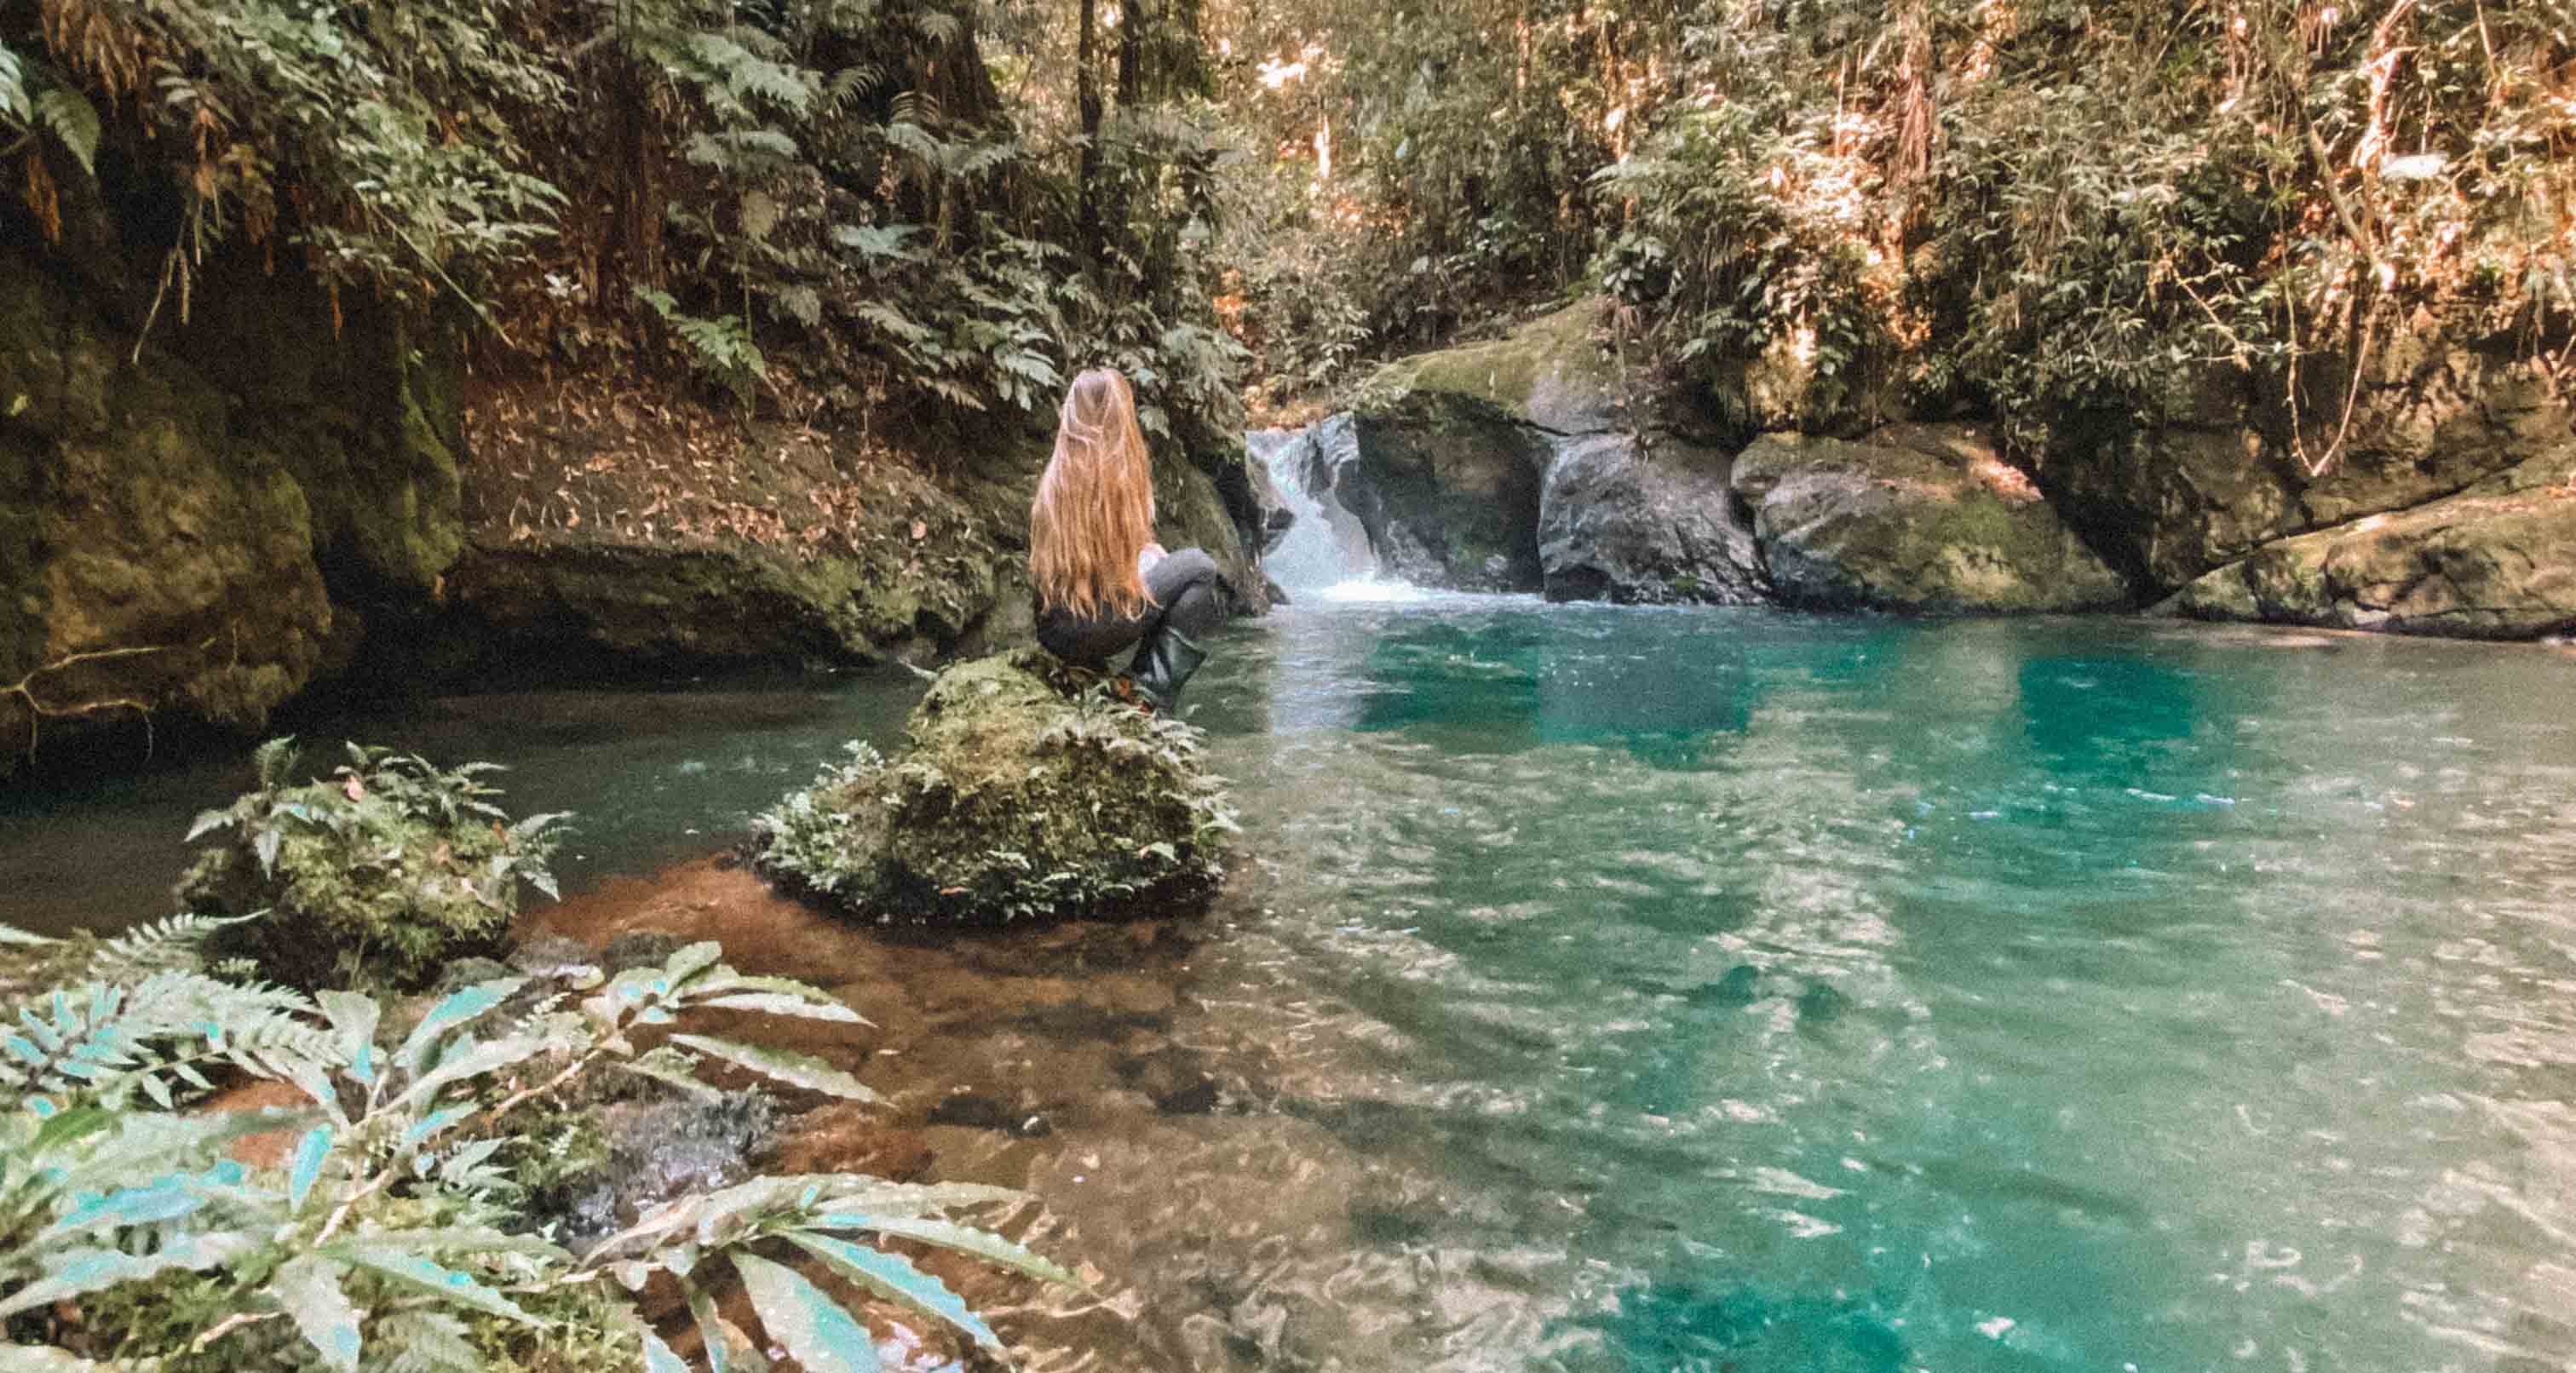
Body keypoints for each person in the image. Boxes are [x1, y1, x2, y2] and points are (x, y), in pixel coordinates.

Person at [1030, 368, 1227, 711]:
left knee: (1164, 564)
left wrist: (1145, 554)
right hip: (1098, 627)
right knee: (1199, 567)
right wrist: (1152, 561)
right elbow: (1122, 584)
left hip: (1055, 636)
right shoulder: (1120, 479)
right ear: (1119, 415)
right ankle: (1149, 693)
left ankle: (1116, 681)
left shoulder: (1053, 482)